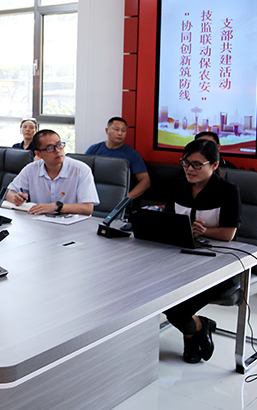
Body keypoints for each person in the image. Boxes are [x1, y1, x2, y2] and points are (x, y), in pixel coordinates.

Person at [162, 138, 241, 364]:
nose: (189, 169)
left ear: (214, 165)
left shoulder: (228, 190)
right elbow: (168, 222)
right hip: (180, 258)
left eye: (197, 164)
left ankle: (193, 332)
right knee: (154, 294)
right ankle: (197, 325)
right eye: (185, 163)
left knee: (175, 308)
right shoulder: (178, 186)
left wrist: (204, 232)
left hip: (219, 264)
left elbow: (228, 234)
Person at [6, 129, 98, 215]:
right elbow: (8, 192)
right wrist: (16, 198)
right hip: (39, 221)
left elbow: (88, 208)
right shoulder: (31, 169)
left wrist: (56, 207)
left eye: (59, 145)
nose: (58, 151)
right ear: (38, 154)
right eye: (50, 148)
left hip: (71, 223)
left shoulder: (81, 170)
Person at [85, 116, 151, 200]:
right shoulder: (94, 149)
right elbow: (82, 173)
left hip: (118, 198)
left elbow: (145, 181)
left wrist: (126, 199)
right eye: (116, 129)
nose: (120, 133)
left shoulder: (132, 154)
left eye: (123, 130)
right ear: (107, 130)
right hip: (93, 196)